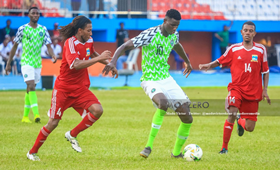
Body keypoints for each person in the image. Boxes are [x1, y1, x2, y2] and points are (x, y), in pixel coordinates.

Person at [103, 9, 193, 158]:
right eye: (172, 25)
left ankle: (176, 153)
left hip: (166, 78)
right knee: (162, 103)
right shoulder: (149, 34)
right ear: (164, 21)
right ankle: (148, 147)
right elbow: (124, 46)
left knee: (187, 117)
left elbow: (176, 44)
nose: (174, 28)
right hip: (150, 79)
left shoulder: (174, 34)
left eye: (177, 25)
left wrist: (187, 61)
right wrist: (113, 62)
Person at [26, 15, 118, 161]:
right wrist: (99, 59)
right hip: (63, 89)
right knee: (53, 123)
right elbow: (75, 65)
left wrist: (108, 64)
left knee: (98, 110)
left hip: (80, 88)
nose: (91, 33)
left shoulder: (89, 40)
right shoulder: (70, 43)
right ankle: (32, 152)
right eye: (88, 30)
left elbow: (92, 52)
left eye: (91, 30)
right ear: (80, 30)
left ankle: (72, 134)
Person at [199, 21, 271, 154]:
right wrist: (209, 65)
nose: (248, 32)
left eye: (250, 31)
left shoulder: (261, 50)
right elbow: (220, 60)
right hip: (236, 89)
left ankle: (240, 120)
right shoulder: (233, 49)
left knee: (250, 127)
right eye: (245, 30)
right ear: (241, 32)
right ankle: (224, 148)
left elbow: (265, 71)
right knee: (232, 112)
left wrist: (265, 90)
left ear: (254, 34)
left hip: (254, 92)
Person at [5, 7, 57, 123]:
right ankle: (36, 115)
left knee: (30, 88)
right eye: (33, 13)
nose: (35, 15)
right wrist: (9, 63)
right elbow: (15, 46)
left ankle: (25, 117)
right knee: (32, 86)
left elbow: (48, 45)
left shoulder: (43, 29)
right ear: (28, 15)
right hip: (26, 61)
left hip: (37, 63)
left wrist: (53, 55)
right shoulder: (23, 29)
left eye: (37, 13)